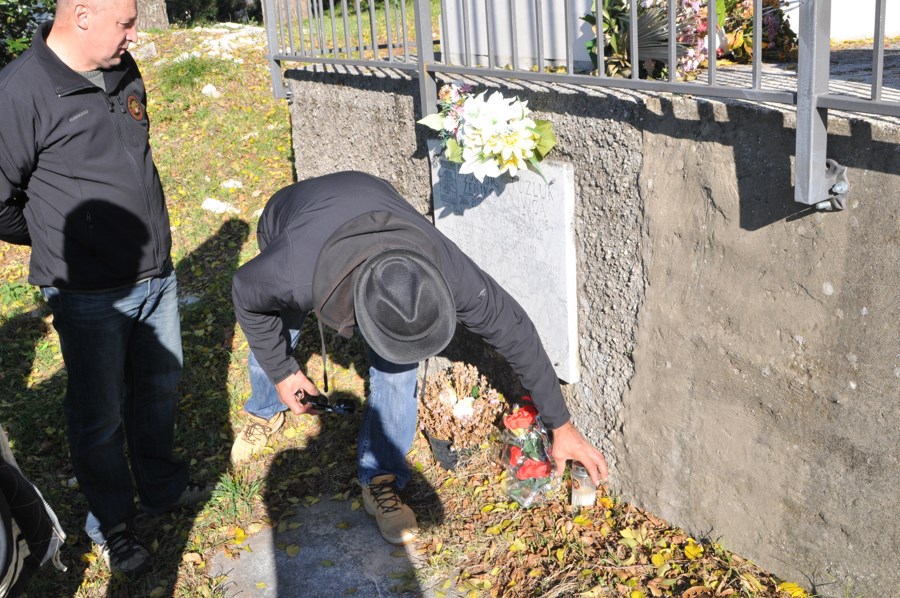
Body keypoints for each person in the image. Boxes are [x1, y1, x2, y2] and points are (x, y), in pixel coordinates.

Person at [231, 171, 609, 546]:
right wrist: (284, 374)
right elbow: (246, 296)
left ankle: (379, 478)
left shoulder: (448, 269)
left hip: (371, 192)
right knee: (279, 329)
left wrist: (561, 425)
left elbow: (515, 329)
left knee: (397, 366)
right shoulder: (293, 275)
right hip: (289, 217)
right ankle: (264, 409)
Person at [0, 0, 207, 577]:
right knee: (99, 415)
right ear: (83, 15)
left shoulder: (121, 68)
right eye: (126, 23)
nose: (135, 35)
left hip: (156, 274)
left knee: (159, 389)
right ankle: (113, 524)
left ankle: (161, 486)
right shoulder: (20, 91)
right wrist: (56, 235)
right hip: (89, 293)